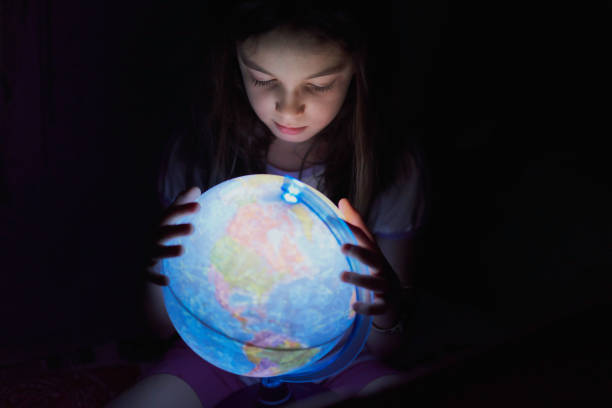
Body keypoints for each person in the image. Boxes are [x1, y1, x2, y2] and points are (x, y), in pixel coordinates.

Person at [107, 1, 426, 406]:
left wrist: (384, 299)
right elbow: (162, 330)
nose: (289, 107)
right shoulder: (197, 157)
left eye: (319, 84)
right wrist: (160, 267)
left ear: (357, 72)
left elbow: (387, 349)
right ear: (235, 67)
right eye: (262, 79)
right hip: (220, 353)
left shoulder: (391, 168)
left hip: (343, 360)